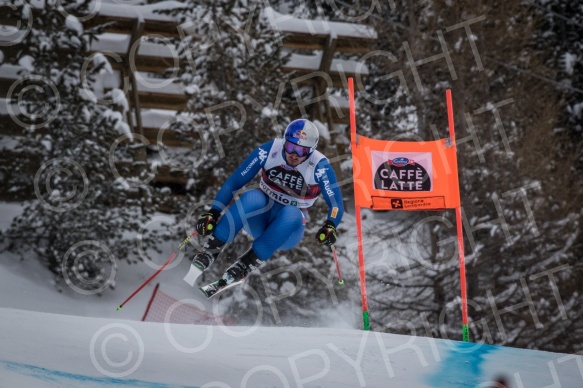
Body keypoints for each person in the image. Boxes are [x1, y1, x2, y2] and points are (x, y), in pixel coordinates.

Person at [192, 119, 344, 293]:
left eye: (301, 150)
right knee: (252, 196)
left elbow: (336, 204)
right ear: (285, 142)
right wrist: (213, 212)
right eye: (290, 146)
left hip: (287, 231)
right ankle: (210, 250)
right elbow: (234, 182)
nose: (294, 154)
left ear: (311, 151)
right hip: (259, 217)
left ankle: (243, 266)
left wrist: (331, 224)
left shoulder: (319, 167)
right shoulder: (270, 150)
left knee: (292, 213)